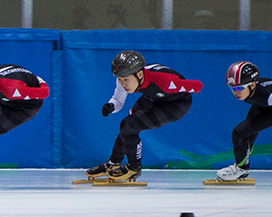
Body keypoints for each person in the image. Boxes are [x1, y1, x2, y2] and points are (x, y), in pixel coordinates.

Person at [86, 50, 203, 182]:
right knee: (127, 125)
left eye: (125, 80)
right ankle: (113, 164)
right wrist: (111, 106)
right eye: (119, 79)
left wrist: (181, 86)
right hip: (152, 97)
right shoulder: (126, 77)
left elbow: (198, 86)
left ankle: (134, 168)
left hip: (176, 104)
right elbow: (118, 100)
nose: (123, 84)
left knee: (130, 125)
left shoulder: (165, 82)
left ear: (140, 74)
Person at [214, 61, 272, 182]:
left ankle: (241, 169)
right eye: (232, 88)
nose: (235, 92)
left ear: (252, 85)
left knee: (239, 132)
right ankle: (241, 167)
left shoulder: (269, 97)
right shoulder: (252, 88)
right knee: (247, 134)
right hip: (261, 105)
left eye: (238, 88)